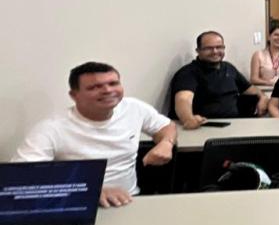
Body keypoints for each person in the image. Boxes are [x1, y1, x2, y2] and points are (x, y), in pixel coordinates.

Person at [15, 62, 176, 208]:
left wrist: (166, 143)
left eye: (113, 83)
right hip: (77, 204)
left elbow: (166, 126)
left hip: (130, 200)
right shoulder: (52, 128)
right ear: (74, 95)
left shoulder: (134, 108)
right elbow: (21, 176)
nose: (107, 90)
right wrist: (91, 191)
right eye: (94, 87)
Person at [170, 31, 268, 128]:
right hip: (207, 126)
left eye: (219, 47)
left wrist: (263, 97)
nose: (215, 51)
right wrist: (188, 119)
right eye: (209, 48)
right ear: (198, 50)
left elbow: (251, 89)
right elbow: (183, 99)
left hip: (235, 124)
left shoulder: (229, 68)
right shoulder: (188, 73)